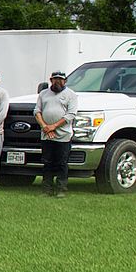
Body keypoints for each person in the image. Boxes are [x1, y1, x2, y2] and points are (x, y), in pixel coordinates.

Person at [36, 70, 79, 198]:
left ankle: (61, 189)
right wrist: (45, 126)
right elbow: (37, 111)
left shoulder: (71, 95)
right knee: (47, 163)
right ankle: (47, 189)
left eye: (60, 79)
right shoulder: (43, 94)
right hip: (46, 135)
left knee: (62, 163)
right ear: (51, 80)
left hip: (63, 135)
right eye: (55, 79)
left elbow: (70, 115)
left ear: (65, 81)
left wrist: (53, 127)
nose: (57, 81)